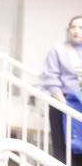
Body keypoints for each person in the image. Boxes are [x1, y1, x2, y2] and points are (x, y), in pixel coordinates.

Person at [43, 15, 82, 165]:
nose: (76, 31)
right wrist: (65, 105)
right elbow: (51, 78)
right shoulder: (58, 49)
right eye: (73, 27)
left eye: (81, 28)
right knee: (63, 150)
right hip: (63, 103)